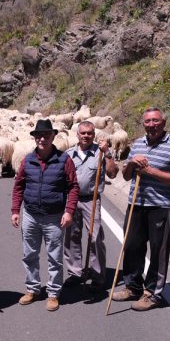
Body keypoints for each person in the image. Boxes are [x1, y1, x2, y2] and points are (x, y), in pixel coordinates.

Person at [112, 107, 170, 311]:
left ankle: (152, 293)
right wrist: (131, 164)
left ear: (163, 123)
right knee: (131, 246)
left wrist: (151, 171)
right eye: (147, 121)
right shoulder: (138, 143)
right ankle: (133, 286)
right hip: (136, 203)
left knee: (158, 251)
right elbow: (127, 175)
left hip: (160, 206)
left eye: (155, 121)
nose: (151, 125)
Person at [11, 119, 80, 312]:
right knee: (29, 254)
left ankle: (53, 293)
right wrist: (16, 210)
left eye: (46, 135)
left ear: (52, 137)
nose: (42, 139)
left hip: (54, 217)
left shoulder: (64, 160)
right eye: (38, 135)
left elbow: (73, 186)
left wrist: (69, 211)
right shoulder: (27, 160)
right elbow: (19, 186)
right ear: (34, 138)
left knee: (54, 257)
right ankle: (33, 289)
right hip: (31, 215)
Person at [62, 121, 119, 290]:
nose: (86, 136)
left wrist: (107, 154)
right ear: (77, 135)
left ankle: (97, 275)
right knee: (72, 236)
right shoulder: (68, 154)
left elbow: (112, 174)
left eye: (89, 133)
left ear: (94, 135)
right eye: (83, 133)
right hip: (71, 199)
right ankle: (75, 273)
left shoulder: (100, 153)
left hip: (91, 199)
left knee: (95, 237)